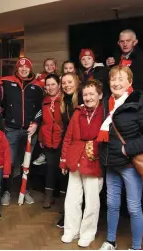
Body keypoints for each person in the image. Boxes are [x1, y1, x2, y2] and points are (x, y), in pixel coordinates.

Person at [98, 66, 143, 250]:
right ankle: (110, 241)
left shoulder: (141, 103)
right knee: (112, 204)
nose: (116, 83)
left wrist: (128, 149)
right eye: (113, 79)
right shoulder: (106, 104)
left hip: (130, 164)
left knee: (133, 208)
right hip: (111, 162)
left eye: (121, 79)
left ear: (130, 82)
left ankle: (136, 247)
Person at [59, 79, 104, 248]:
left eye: (92, 94)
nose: (88, 97)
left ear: (99, 95)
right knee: (72, 199)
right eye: (85, 94)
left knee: (92, 201)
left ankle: (88, 233)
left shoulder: (104, 112)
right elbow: (68, 137)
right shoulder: (78, 112)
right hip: (75, 160)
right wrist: (63, 161)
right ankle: (71, 230)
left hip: (93, 162)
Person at [1, 57, 44, 206]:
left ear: (30, 69)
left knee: (26, 163)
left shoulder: (37, 86)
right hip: (11, 129)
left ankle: (25, 190)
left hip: (29, 131)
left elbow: (41, 108)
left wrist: (36, 124)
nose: (24, 69)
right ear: (17, 69)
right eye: (21, 67)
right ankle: (6, 191)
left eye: (26, 67)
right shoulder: (6, 82)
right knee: (10, 162)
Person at [56, 72, 83, 229]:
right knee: (68, 183)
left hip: (80, 146)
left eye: (69, 82)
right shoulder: (64, 100)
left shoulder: (81, 98)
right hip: (68, 144)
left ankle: (76, 219)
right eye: (64, 83)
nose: (66, 85)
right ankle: (68, 216)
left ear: (77, 82)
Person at [37, 74, 64, 209]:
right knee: (50, 169)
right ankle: (48, 197)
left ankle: (64, 200)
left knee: (63, 170)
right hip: (48, 140)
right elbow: (43, 122)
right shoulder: (44, 101)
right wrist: (41, 138)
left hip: (62, 140)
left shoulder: (64, 99)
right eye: (47, 85)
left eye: (53, 84)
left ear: (59, 85)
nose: (50, 87)